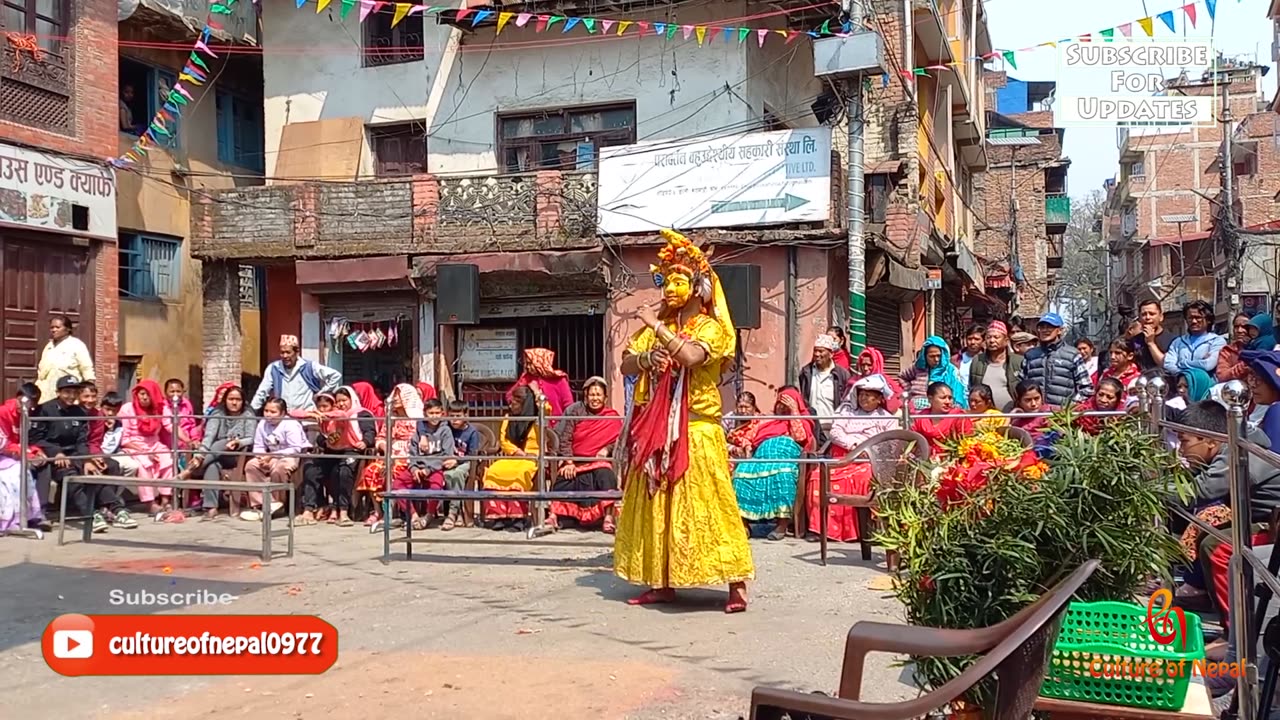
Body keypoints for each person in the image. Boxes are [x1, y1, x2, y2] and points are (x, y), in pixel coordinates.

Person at [614, 228, 754, 613]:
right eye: (667, 280)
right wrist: (647, 359)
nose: (671, 288)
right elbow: (625, 361)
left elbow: (692, 358)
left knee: (711, 505)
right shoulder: (661, 325)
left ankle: (736, 584)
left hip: (697, 430)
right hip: (659, 430)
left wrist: (656, 328)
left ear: (699, 286)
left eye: (679, 280)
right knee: (659, 507)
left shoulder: (711, 327)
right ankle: (662, 581)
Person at [1172, 400, 1280, 627]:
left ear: (1210, 440)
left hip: (1273, 525)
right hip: (1261, 518)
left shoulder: (1237, 449)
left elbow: (1204, 489)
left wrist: (1154, 490)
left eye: (1185, 442)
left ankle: (1237, 633)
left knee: (1217, 546)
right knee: (1208, 527)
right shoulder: (1230, 445)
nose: (1182, 450)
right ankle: (1203, 597)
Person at [804, 374, 898, 542]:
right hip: (842, 458)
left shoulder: (887, 418)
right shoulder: (846, 411)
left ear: (878, 399)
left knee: (864, 478)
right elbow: (835, 432)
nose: (864, 398)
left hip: (868, 461)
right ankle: (820, 530)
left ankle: (863, 531)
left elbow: (888, 442)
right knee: (818, 477)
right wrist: (854, 446)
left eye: (869, 395)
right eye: (861, 394)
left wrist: (867, 450)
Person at [29, 376, 123, 531]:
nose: (71, 396)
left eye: (74, 392)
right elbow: (35, 439)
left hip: (75, 454)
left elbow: (82, 440)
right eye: (67, 392)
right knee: (71, 475)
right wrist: (57, 453)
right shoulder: (45, 410)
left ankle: (117, 509)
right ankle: (90, 515)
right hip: (54, 457)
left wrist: (87, 460)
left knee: (95, 472)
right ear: (58, 392)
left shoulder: (78, 412)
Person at [730, 386, 814, 541]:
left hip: (784, 457)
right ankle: (744, 524)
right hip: (761, 457)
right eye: (779, 403)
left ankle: (781, 525)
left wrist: (794, 411)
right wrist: (747, 445)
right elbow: (749, 436)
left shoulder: (803, 419)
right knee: (741, 473)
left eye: (786, 404)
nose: (781, 407)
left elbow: (800, 437)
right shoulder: (767, 422)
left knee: (783, 474)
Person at [549, 376, 622, 533]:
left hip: (598, 461)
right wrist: (568, 461)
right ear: (586, 396)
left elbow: (619, 440)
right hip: (576, 461)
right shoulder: (576, 412)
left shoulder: (612, 416)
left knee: (606, 476)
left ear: (605, 397)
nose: (595, 398)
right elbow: (565, 438)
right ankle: (553, 516)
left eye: (598, 395)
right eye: (591, 395)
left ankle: (608, 518)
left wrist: (606, 449)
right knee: (563, 479)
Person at [301, 387, 373, 527]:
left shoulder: (361, 414)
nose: (341, 404)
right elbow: (323, 437)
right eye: (338, 401)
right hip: (333, 452)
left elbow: (370, 432)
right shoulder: (330, 416)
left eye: (344, 400)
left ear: (352, 399)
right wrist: (325, 440)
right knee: (311, 468)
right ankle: (310, 508)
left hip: (352, 451)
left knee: (343, 471)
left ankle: (343, 511)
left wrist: (365, 442)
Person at [183, 385, 256, 521]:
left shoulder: (248, 414)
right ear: (225, 400)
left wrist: (238, 443)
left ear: (243, 401)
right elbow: (209, 436)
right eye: (231, 399)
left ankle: (192, 468)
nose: (234, 403)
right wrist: (201, 452)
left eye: (238, 399)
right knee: (212, 465)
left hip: (236, 455)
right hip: (216, 455)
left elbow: (251, 438)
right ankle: (211, 507)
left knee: (223, 443)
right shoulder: (218, 413)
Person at [355, 384, 423, 528]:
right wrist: (386, 450)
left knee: (394, 473)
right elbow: (380, 438)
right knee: (372, 471)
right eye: (395, 394)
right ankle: (379, 511)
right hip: (390, 454)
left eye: (399, 395)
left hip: (409, 456)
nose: (395, 398)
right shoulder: (391, 419)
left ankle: (395, 513)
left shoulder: (418, 420)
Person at [482, 384, 544, 532]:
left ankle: (519, 517)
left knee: (519, 474)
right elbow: (504, 441)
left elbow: (545, 406)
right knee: (493, 471)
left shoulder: (538, 417)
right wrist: (518, 453)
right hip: (514, 456)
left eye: (515, 402)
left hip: (532, 458)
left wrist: (536, 392)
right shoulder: (508, 418)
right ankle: (499, 516)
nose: (511, 405)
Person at [78, 384, 138, 530]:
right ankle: (108, 508)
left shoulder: (97, 415)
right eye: (86, 396)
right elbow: (77, 442)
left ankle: (108, 507)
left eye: (93, 396)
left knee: (112, 465)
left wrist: (97, 456)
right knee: (92, 470)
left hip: (92, 451)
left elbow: (95, 440)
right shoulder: (74, 413)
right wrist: (89, 457)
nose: (90, 400)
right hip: (76, 453)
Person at [240, 398, 310, 522]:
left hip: (289, 456)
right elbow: (258, 445)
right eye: (266, 411)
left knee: (279, 469)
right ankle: (260, 504)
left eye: (273, 412)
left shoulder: (290, 424)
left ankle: (277, 504)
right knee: (251, 465)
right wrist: (261, 457)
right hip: (270, 456)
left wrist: (271, 455)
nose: (268, 415)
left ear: (283, 413)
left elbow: (295, 448)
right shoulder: (262, 424)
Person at [118, 379, 176, 514]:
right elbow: (125, 440)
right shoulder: (127, 409)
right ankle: (150, 503)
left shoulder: (160, 408)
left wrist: (189, 440)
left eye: (148, 394)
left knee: (168, 460)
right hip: (134, 445)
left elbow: (171, 426)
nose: (144, 397)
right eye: (142, 394)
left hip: (154, 443)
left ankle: (165, 500)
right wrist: (144, 451)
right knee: (144, 465)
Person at [1017, 312, 1094, 407]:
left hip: (1061, 417)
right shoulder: (1030, 355)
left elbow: (1086, 388)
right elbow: (1021, 385)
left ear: (1059, 330)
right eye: (1042, 327)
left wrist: (1069, 407)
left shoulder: (1072, 355)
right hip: (1035, 414)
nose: (1045, 330)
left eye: (1050, 327)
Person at [249, 335, 342, 412]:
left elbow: (335, 375)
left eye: (288, 352)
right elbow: (262, 392)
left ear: (297, 352)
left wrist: (321, 393)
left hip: (307, 417)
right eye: (282, 353)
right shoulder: (274, 369)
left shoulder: (309, 367)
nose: (285, 356)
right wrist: (251, 412)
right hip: (284, 418)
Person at [0, 384, 46, 532]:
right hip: (6, 454)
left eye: (29, 404)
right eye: (22, 402)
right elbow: (5, 443)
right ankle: (13, 519)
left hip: (20, 453)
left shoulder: (29, 415)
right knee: (18, 472)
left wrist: (36, 451)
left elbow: (29, 439)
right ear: (17, 398)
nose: (24, 406)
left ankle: (34, 515)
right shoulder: (3, 413)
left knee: (43, 464)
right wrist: (27, 454)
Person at [404, 397, 454, 530]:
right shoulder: (419, 433)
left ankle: (429, 514)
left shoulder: (445, 431)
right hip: (418, 466)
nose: (434, 416)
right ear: (425, 414)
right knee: (398, 484)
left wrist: (430, 469)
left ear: (442, 413)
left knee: (436, 486)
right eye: (431, 413)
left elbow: (446, 455)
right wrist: (414, 468)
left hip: (434, 468)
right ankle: (413, 515)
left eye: (437, 413)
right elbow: (412, 454)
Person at [799, 334, 852, 436]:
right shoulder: (806, 372)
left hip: (834, 426)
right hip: (812, 426)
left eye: (821, 351)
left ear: (831, 354)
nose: (817, 354)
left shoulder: (842, 374)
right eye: (815, 351)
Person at [35, 315, 95, 403]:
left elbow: (87, 369)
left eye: (57, 327)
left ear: (68, 329)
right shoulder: (49, 347)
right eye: (52, 327)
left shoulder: (76, 345)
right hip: (46, 396)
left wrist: (88, 391)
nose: (54, 330)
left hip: (69, 397)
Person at [900, 336, 968, 412]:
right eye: (931, 356)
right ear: (924, 356)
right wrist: (910, 392)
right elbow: (902, 377)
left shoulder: (950, 371)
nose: (936, 359)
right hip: (918, 411)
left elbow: (958, 394)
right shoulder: (917, 367)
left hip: (943, 411)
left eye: (938, 356)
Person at [442, 400, 481, 530]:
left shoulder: (472, 432)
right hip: (449, 462)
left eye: (458, 416)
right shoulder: (446, 428)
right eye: (451, 416)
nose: (454, 420)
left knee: (457, 474)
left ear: (465, 415)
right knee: (448, 475)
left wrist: (457, 461)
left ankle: (452, 513)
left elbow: (472, 454)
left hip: (466, 462)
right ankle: (457, 511)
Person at [506, 348, 573, 424]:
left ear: (539, 362)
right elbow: (510, 396)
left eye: (530, 363)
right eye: (526, 364)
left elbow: (569, 405)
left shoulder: (559, 379)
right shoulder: (526, 378)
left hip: (556, 426)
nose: (527, 367)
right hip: (531, 427)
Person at [967, 321, 1022, 411]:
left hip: (1013, 416)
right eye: (989, 337)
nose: (992, 341)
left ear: (1006, 340)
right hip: (985, 418)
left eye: (996, 337)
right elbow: (972, 387)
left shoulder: (1018, 361)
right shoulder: (977, 361)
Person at [1164, 300, 1226, 377]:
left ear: (1208, 320)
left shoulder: (1217, 341)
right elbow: (1168, 365)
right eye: (1190, 318)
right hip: (1181, 386)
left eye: (1198, 318)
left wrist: (1181, 363)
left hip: (1206, 386)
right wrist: (1184, 375)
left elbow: (1208, 365)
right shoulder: (1177, 342)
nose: (1194, 321)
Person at [910, 382, 974, 456]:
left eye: (950, 398)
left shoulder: (958, 416)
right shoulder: (921, 417)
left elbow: (969, 442)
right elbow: (912, 440)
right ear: (930, 399)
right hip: (923, 460)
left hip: (952, 460)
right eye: (943, 398)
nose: (947, 402)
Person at [1240, 350, 1280, 451]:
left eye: (1259, 379)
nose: (1253, 384)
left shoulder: (1277, 410)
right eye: (1252, 377)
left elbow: (1272, 462)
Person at [1126, 299, 1176, 375]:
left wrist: (1150, 343)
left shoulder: (1173, 340)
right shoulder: (1134, 341)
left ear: (1161, 317)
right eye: (1144, 314)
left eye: (1152, 314)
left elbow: (1165, 365)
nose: (1148, 317)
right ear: (1139, 318)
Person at [850, 347, 903, 413]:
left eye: (869, 365)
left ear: (877, 364)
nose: (865, 368)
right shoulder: (854, 382)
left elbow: (895, 405)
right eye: (863, 365)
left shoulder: (886, 382)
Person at [1216, 313, 1254, 383]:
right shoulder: (1227, 351)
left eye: (1244, 327)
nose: (1239, 330)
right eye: (1236, 327)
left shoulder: (1261, 348)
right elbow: (1222, 376)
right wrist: (1244, 365)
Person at [953, 324, 987, 393]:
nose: (972, 342)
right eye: (970, 339)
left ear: (983, 341)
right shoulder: (956, 359)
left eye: (977, 339)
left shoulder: (987, 360)